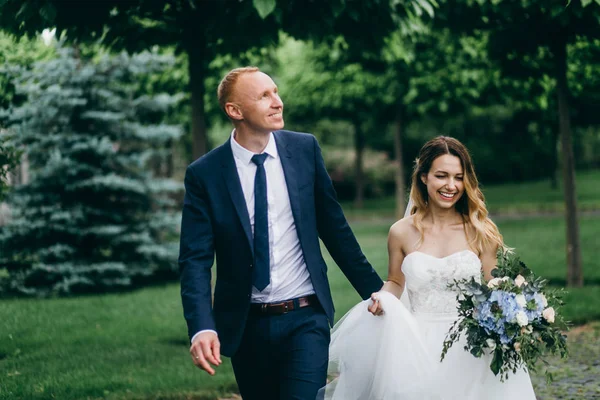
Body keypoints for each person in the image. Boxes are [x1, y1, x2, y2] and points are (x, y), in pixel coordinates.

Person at [178, 66, 383, 400]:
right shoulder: (205, 174)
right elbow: (194, 260)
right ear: (235, 111)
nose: (278, 102)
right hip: (245, 326)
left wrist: (375, 290)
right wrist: (202, 325)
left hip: (306, 318)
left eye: (276, 92)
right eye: (264, 96)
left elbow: (335, 229)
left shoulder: (304, 151)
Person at [320, 136, 536, 399]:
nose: (451, 185)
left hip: (472, 346)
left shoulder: (481, 231)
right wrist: (383, 297)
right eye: (441, 176)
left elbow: (492, 286)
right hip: (417, 345)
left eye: (458, 177)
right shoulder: (401, 232)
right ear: (424, 177)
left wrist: (514, 314)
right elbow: (396, 281)